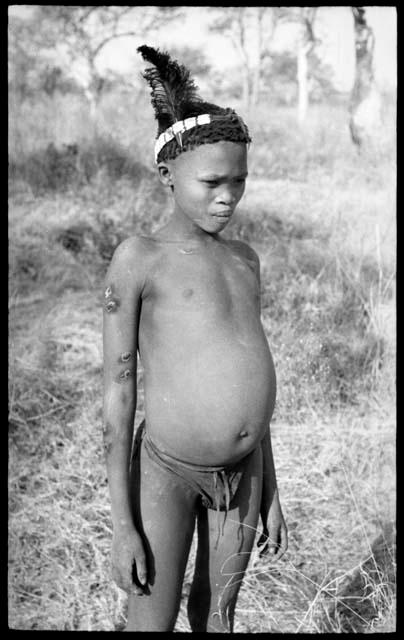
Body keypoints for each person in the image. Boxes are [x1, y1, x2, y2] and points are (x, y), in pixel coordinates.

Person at [102, 45, 288, 633]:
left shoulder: (245, 260)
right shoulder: (139, 260)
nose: (227, 195)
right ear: (167, 174)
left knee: (219, 615)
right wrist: (122, 522)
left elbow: (250, 381)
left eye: (239, 180)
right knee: (150, 620)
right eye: (212, 181)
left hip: (245, 473)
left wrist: (272, 489)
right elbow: (118, 395)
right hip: (166, 470)